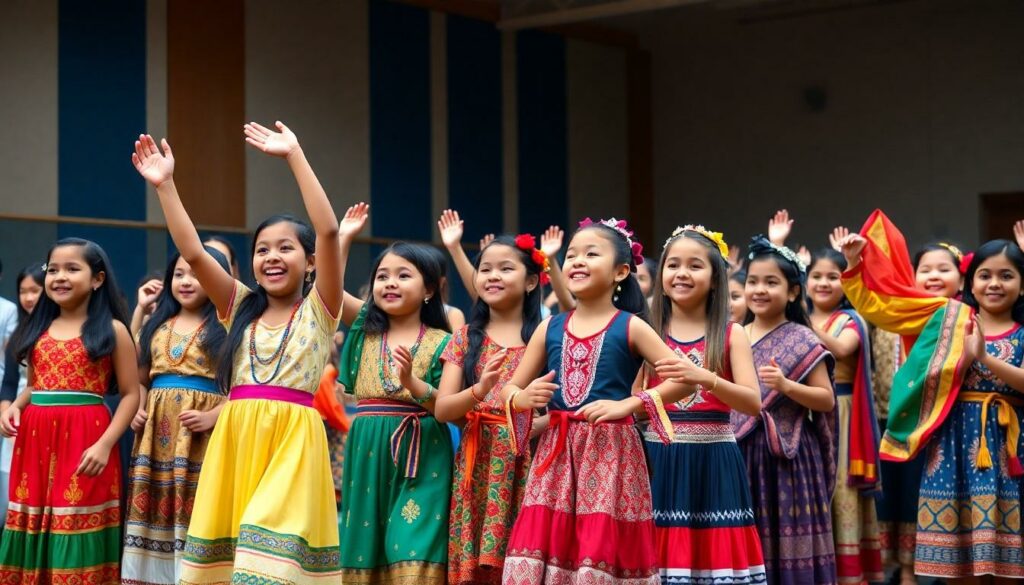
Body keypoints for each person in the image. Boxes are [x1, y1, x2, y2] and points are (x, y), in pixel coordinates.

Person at [135, 123, 364, 584]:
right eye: (262, 250)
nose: (272, 257)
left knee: (268, 562)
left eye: (285, 248)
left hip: (293, 443)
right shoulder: (238, 305)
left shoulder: (321, 308)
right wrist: (166, 187)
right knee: (230, 563)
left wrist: (295, 155)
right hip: (236, 439)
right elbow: (195, 253)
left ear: (311, 262)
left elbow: (327, 229)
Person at [498, 217, 692, 584]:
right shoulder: (549, 327)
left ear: (621, 272)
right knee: (546, 540)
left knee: (599, 544)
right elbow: (509, 389)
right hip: (556, 455)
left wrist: (630, 405)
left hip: (612, 453)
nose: (577, 261)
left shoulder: (632, 326)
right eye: (571, 255)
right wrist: (523, 397)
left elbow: (685, 380)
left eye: (591, 254)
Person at [836, 213, 967, 584]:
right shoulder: (895, 311)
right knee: (890, 498)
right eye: (925, 269)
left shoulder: (962, 317)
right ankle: (894, 568)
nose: (934, 275)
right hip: (888, 421)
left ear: (961, 280)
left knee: (918, 498)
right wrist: (853, 264)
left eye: (944, 269)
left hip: (941, 424)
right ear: (911, 276)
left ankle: (916, 571)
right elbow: (867, 302)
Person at [0, 238, 140, 583]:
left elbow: (131, 394)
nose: (60, 277)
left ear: (98, 279)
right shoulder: (37, 329)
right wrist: (15, 407)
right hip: (34, 440)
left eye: (72, 269)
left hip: (86, 440)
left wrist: (105, 445)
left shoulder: (113, 330)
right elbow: (37, 385)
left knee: (74, 518)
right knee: (32, 519)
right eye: (53, 270)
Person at [643, 226, 765, 585]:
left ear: (715, 279)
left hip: (714, 458)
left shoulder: (731, 333)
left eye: (695, 266)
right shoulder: (645, 330)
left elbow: (753, 403)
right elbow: (635, 397)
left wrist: (707, 379)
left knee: (714, 556)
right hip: (659, 458)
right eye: (673, 265)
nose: (681, 273)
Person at [336, 240, 453, 584]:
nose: (390, 283)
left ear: (429, 289)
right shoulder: (364, 329)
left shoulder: (444, 342)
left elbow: (448, 408)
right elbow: (328, 291)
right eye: (382, 276)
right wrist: (342, 238)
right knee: (365, 548)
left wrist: (414, 385)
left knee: (415, 546)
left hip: (423, 451)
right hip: (367, 450)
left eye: (403, 275)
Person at [434, 232, 547, 584]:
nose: (493, 276)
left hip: (528, 462)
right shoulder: (466, 337)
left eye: (505, 269)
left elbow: (559, 411)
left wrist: (531, 423)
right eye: (485, 269)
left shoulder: (546, 337)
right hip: (476, 462)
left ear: (531, 281)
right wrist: (480, 391)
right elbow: (443, 409)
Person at [120, 249, 230, 585]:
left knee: (196, 504)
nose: (186, 281)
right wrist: (138, 407)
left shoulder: (227, 328)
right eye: (179, 274)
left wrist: (214, 416)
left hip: (202, 435)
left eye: (197, 274)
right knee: (154, 501)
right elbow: (138, 378)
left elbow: (244, 386)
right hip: (155, 435)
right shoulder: (157, 324)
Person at [732, 235, 838, 585]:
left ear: (793, 292)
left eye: (771, 282)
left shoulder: (803, 338)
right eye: (752, 281)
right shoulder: (733, 335)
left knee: (787, 538)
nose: (759, 290)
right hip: (739, 452)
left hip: (787, 457)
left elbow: (825, 399)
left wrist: (786, 386)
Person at [806, 248, 884, 584]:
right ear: (804, 281)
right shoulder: (797, 318)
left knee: (840, 490)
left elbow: (839, 349)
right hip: (804, 412)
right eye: (816, 276)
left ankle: (849, 574)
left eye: (832, 277)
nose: (823, 283)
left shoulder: (852, 320)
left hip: (842, 413)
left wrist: (797, 319)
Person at [0, 264, 44, 517]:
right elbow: (8, 383)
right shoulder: (19, 334)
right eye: (23, 291)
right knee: (11, 499)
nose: (28, 298)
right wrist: (6, 415)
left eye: (34, 290)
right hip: (17, 419)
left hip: (46, 413)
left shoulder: (56, 330)